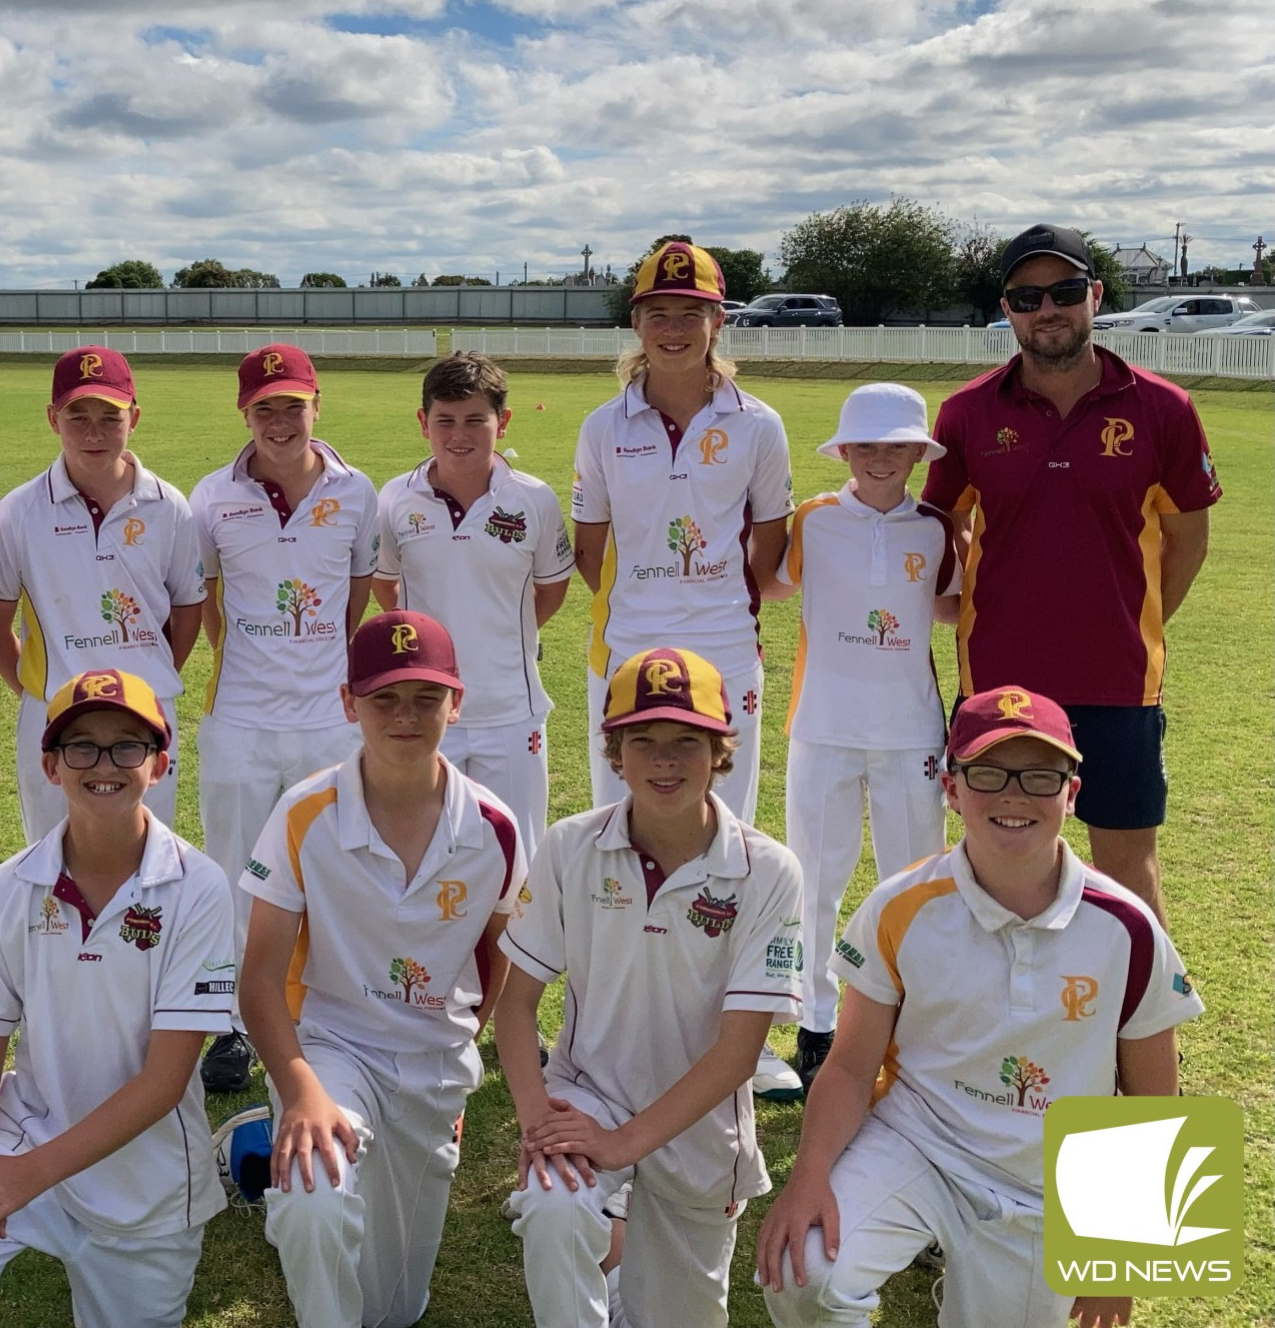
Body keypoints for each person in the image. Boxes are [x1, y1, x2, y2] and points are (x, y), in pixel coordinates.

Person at [756, 686, 1202, 1328]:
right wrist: (809, 1175)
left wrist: (1122, 1257)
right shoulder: (899, 905)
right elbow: (851, 1066)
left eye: (1040, 775)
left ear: (1071, 794)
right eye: (987, 773)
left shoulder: (1127, 926)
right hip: (918, 1144)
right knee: (805, 1272)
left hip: (1044, 1181)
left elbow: (1155, 1098)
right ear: (952, 788)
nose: (1013, 795)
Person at [0, 668, 235, 1327]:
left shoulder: (200, 887)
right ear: (50, 764)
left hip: (149, 1179)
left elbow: (165, 1081)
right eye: (82, 747)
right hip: (27, 1135)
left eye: (127, 746)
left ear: (159, 763)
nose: (104, 764)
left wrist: (25, 1177)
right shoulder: (11, 886)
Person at [496, 646, 805, 1328]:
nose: (664, 760)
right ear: (616, 750)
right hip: (590, 1097)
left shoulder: (768, 870)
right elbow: (514, 1004)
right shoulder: (568, 847)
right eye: (644, 741)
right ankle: (599, 1242)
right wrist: (537, 1121)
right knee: (552, 1205)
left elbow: (739, 1053)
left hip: (701, 1131)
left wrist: (625, 1144)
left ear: (721, 749)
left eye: (686, 742)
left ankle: (617, 1257)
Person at [924, 223, 1221, 925]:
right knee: (998, 862)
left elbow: (1188, 541)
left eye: (1063, 292)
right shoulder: (968, 413)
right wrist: (969, 601)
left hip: (1118, 679)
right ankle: (999, 1024)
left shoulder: (1162, 408)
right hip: (998, 682)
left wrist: (1128, 616)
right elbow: (939, 523)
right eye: (1027, 298)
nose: (1046, 310)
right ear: (1006, 309)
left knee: (1126, 869)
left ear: (1094, 295)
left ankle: (1142, 1031)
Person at [239, 611, 521, 1328]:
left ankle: (249, 1145)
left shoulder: (496, 828)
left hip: (433, 1058)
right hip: (330, 1044)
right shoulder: (303, 812)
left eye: (427, 697)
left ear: (456, 703)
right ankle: (279, 1136)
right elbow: (260, 978)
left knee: (394, 1309)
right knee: (314, 1199)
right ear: (348, 702)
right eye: (384, 697)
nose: (406, 715)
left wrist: (456, 1047)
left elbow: (505, 966)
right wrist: (300, 1089)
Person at [568, 239, 798, 1098]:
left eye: (691, 312)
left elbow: (766, 549)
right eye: (657, 313)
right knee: (616, 839)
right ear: (637, 323)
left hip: (726, 652)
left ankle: (738, 1034)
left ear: (717, 320)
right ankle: (607, 1029)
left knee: (726, 839)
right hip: (628, 652)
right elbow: (595, 554)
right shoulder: (603, 425)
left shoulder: (758, 423)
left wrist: (698, 605)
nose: (673, 328)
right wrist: (653, 610)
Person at [189, 342, 378, 1094]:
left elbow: (357, 593)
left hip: (329, 719)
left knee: (332, 869)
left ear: (315, 405)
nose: (279, 421)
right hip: (238, 716)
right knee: (237, 873)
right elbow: (207, 602)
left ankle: (322, 1010)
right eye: (264, 407)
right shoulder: (211, 496)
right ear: (245, 412)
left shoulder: (357, 491)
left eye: (291, 405)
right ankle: (234, 1025)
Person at [763, 382, 958, 1090]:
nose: (880, 458)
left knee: (912, 882)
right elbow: (772, 585)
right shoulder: (812, 520)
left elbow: (950, 609)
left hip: (912, 731)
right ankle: (816, 1023)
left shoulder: (936, 528)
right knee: (815, 881)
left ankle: (908, 1025)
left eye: (896, 446)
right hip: (822, 725)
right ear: (843, 450)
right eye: (866, 445)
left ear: (917, 452)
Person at [0, 345, 204, 843]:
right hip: (53, 713)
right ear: (53, 418)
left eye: (110, 416)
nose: (94, 432)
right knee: (50, 854)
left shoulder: (170, 507)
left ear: (135, 418)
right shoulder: (18, 512)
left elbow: (188, 608)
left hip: (146, 710)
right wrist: (39, 690)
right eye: (77, 416)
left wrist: (153, 676)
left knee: (147, 855)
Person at [375, 350, 573, 861]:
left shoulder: (534, 499)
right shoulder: (396, 498)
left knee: (516, 859)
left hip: (511, 712)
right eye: (445, 421)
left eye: (474, 420)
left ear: (502, 423)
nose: (458, 435)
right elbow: (386, 587)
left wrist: (505, 633)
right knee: (428, 852)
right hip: (427, 711)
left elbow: (550, 589)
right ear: (424, 423)